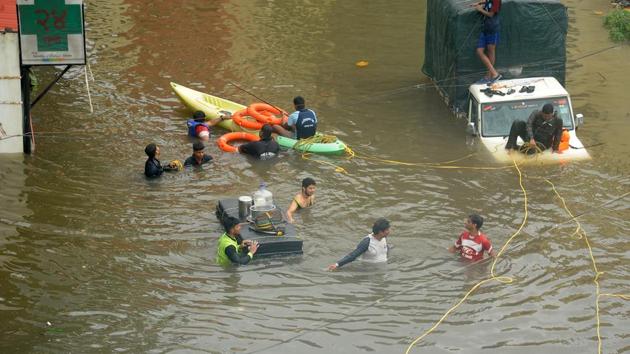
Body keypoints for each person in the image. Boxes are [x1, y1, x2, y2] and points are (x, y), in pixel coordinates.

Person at [474, 0, 502, 83]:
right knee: (479, 51)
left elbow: (491, 14)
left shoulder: (497, 1)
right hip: (485, 28)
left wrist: (480, 9)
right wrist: (479, 3)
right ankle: (494, 74)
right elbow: (488, 1)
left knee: (491, 52)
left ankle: (490, 76)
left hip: (493, 29)